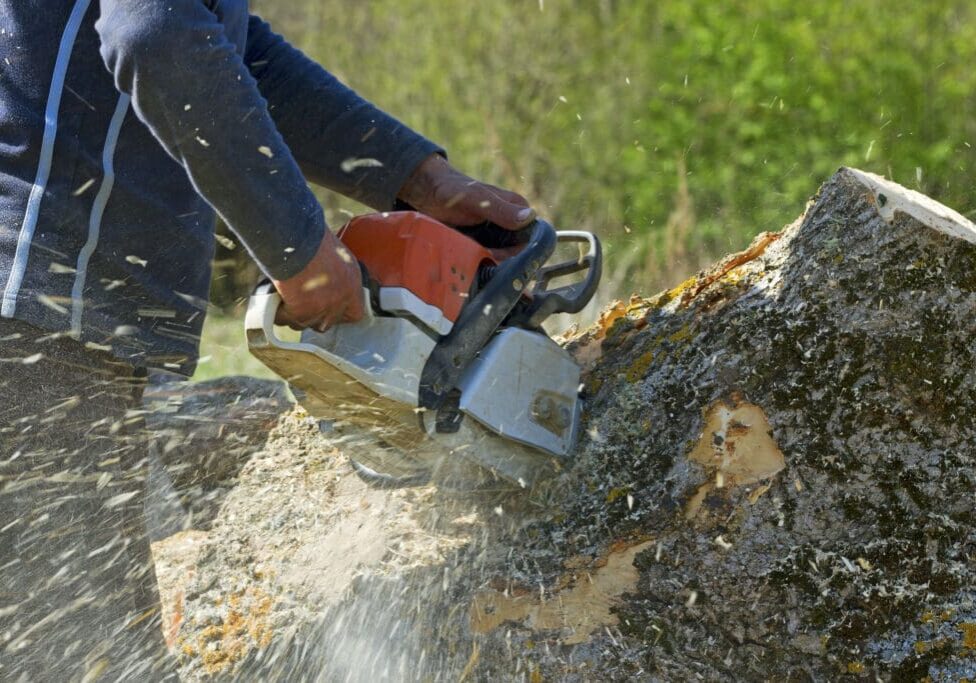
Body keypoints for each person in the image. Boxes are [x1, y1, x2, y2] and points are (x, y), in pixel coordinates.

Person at [0, 1, 534, 679]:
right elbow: (156, 37)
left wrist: (413, 176)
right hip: (31, 315)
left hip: (49, 320)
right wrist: (297, 249)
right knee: (86, 660)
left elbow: (226, 51)